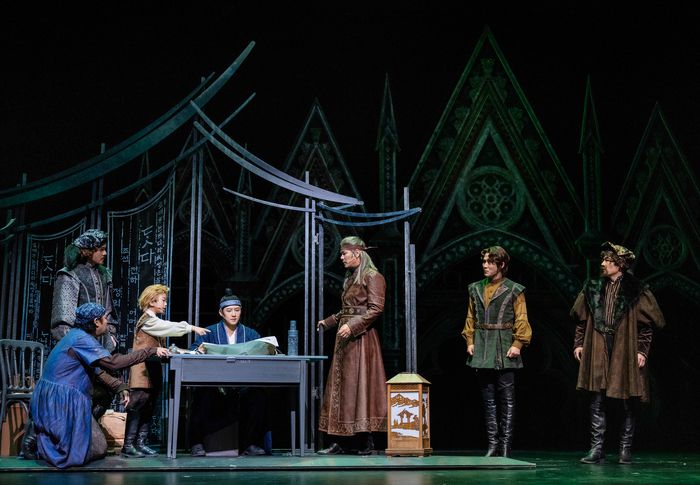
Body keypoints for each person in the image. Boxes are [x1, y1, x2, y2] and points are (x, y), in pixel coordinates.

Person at [25, 303, 170, 469]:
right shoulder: (82, 339)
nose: (107, 323)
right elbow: (113, 363)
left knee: (99, 446)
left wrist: (120, 386)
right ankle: (39, 437)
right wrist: (149, 351)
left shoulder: (76, 335)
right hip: (59, 401)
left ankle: (74, 430)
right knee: (81, 454)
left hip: (57, 395)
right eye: (105, 319)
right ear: (96, 322)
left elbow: (98, 371)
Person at [572, 242, 665, 465]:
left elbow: (646, 326)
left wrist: (642, 351)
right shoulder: (593, 287)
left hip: (624, 348)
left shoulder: (636, 289)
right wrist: (578, 343)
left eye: (608, 260)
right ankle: (597, 449)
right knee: (596, 398)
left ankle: (625, 449)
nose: (603, 263)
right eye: (603, 259)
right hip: (598, 345)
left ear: (620, 264)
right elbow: (581, 320)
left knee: (627, 400)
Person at [317, 236, 387, 455]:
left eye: (344, 253)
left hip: (361, 339)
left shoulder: (373, 276)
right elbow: (346, 309)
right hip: (345, 339)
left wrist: (353, 326)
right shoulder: (350, 278)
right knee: (341, 388)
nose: (341, 257)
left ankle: (365, 441)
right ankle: (339, 441)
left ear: (357, 253)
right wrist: (329, 321)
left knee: (360, 386)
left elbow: (376, 308)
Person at [121, 284, 210, 458]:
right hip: (142, 371)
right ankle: (128, 445)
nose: (165, 304)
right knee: (137, 407)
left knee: (148, 407)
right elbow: (168, 327)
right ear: (151, 301)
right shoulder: (148, 320)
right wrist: (191, 328)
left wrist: (188, 352)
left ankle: (140, 443)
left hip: (152, 371)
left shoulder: (154, 321)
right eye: (163, 300)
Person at [461, 245, 532, 458]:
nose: (485, 265)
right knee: (488, 399)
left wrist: (518, 343)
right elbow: (470, 317)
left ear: (501, 264)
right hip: (483, 345)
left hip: (504, 345)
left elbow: (522, 317)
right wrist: (470, 340)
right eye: (483, 261)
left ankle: (505, 446)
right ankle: (492, 445)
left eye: (490, 262)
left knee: (507, 399)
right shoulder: (475, 288)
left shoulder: (514, 289)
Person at [50, 228, 121, 419]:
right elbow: (62, 321)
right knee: (82, 395)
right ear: (88, 251)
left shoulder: (104, 274)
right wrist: (77, 350)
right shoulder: (70, 275)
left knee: (106, 392)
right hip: (77, 350)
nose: (105, 253)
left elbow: (108, 311)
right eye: (101, 249)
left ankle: (86, 428)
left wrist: (111, 337)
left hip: (101, 346)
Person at [189, 292, 269, 457]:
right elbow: (192, 351)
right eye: (229, 310)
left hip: (242, 384)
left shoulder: (250, 334)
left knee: (258, 394)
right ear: (221, 312)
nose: (233, 314)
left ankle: (251, 443)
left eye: (237, 310)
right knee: (202, 393)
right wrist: (199, 350)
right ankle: (197, 442)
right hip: (215, 383)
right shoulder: (209, 332)